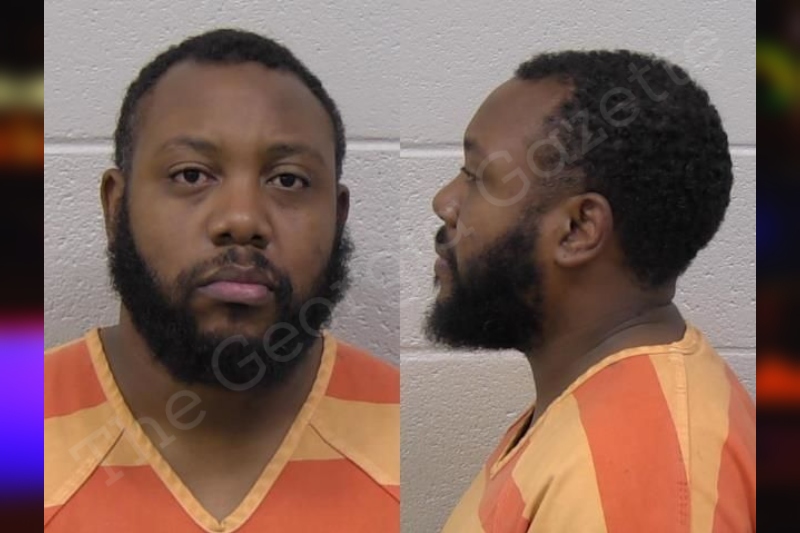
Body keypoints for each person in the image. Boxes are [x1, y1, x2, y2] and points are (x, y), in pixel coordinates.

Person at [44, 29, 399, 532]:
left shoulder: (400, 428)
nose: (242, 219)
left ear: (338, 218)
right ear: (116, 206)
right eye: (191, 175)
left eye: (288, 180)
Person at [427, 50, 755, 532]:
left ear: (578, 229)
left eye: (478, 177)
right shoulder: (605, 408)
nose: (444, 202)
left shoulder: (635, 476)